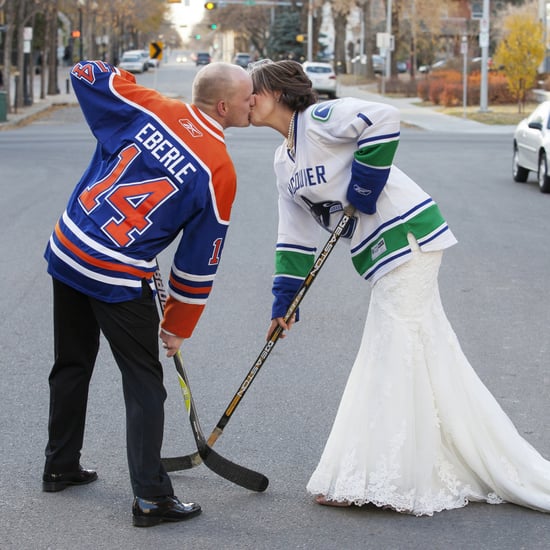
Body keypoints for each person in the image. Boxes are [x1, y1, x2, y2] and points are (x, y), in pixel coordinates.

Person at [248, 59, 550, 516]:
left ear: (279, 93)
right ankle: (455, 459)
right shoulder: (282, 161)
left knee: (389, 348)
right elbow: (293, 235)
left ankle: (388, 477)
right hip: (381, 252)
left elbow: (384, 119)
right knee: (427, 354)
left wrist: (364, 190)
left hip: (408, 238)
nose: (248, 100)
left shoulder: (321, 120)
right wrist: (284, 302)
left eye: (254, 91)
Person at [42, 59, 254, 527]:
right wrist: (178, 326)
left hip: (71, 245)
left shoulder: (153, 107)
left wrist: (124, 79)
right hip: (116, 274)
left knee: (72, 361)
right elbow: (199, 262)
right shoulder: (219, 167)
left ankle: (60, 465)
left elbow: (86, 73)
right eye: (247, 97)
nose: (254, 102)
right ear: (223, 106)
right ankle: (152, 499)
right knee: (144, 386)